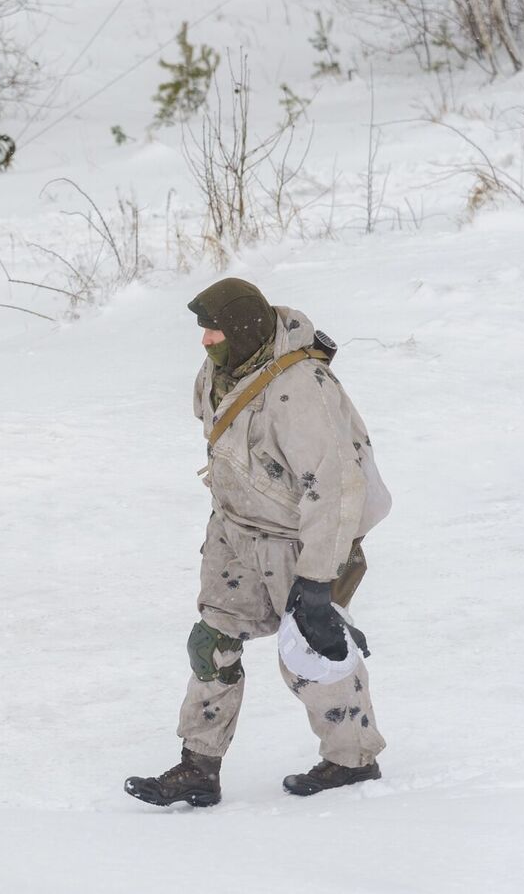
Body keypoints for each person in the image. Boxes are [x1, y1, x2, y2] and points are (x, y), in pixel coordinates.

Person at [124, 278, 391, 808]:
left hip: (300, 539)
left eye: (214, 331)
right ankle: (198, 766)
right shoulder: (223, 370)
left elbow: (335, 486)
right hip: (235, 531)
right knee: (211, 642)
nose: (205, 342)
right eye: (203, 331)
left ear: (243, 331)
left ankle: (353, 759)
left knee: (311, 653)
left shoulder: (301, 391)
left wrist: (318, 579)